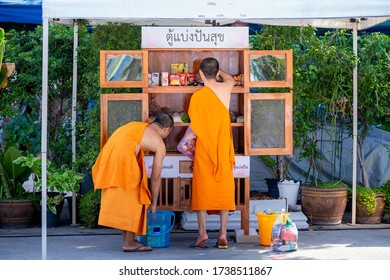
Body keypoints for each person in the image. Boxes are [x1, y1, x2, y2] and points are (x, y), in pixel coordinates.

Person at [92, 112, 174, 252]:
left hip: (108, 155)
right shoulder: (159, 143)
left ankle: (128, 240)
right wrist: (154, 203)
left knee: (124, 202)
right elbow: (155, 176)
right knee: (137, 199)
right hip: (123, 158)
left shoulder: (138, 126)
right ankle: (129, 243)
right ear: (166, 130)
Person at [188, 57, 236, 249]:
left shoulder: (197, 97)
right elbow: (230, 78)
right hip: (223, 147)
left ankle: (202, 234)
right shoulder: (226, 87)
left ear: (200, 74)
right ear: (217, 73)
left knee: (202, 188)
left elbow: (195, 126)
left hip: (205, 148)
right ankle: (223, 234)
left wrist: (209, 73)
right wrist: (218, 72)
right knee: (224, 188)